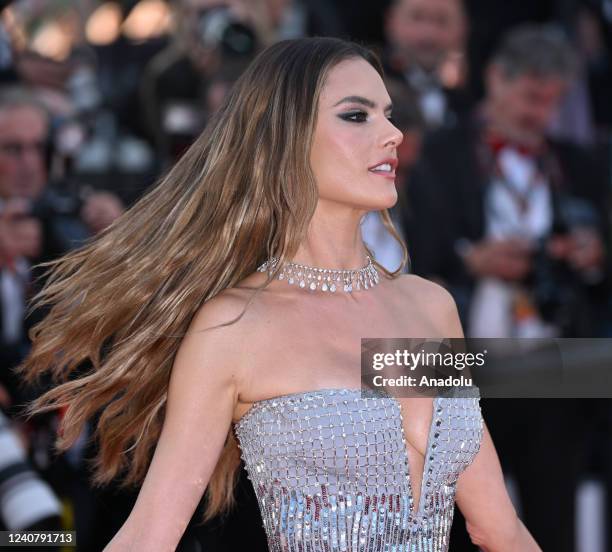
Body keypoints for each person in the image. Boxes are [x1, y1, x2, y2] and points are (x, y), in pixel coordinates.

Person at [14, 37, 539, 551]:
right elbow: (151, 534)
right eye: (357, 116)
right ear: (287, 138)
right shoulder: (235, 326)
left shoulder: (430, 308)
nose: (394, 133)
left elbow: (497, 528)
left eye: (389, 114)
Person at [402, 25, 610, 551]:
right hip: (464, 360)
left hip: (553, 360)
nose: (538, 112)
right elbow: (408, 256)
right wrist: (471, 260)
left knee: (553, 506)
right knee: (458, 513)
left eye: (551, 101)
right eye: (529, 95)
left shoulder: (577, 165)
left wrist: (590, 255)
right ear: (496, 79)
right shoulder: (440, 155)